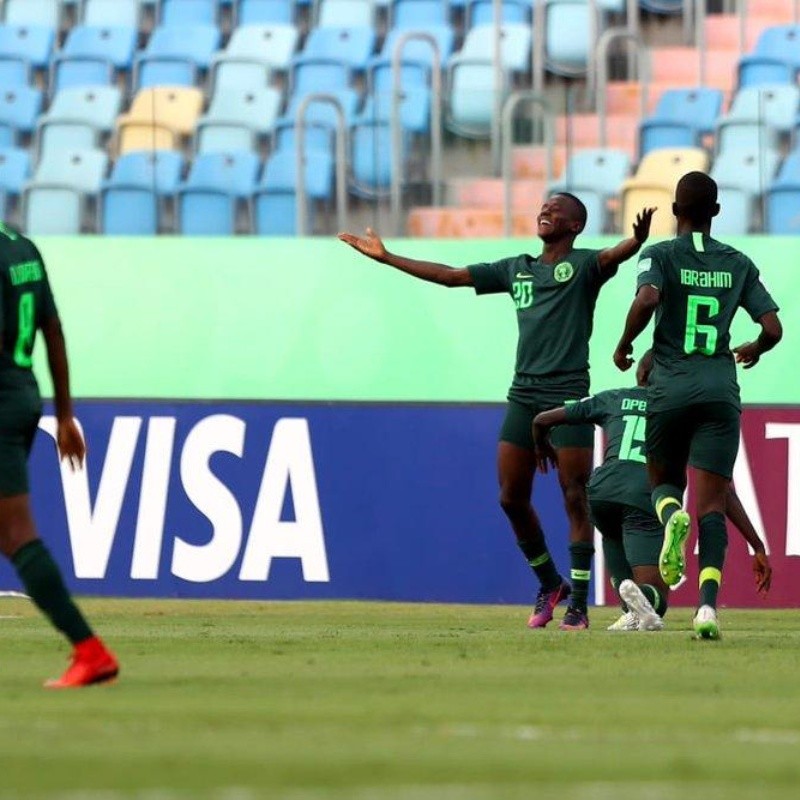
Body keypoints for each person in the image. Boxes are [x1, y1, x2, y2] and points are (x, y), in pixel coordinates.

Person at [339, 196, 655, 630]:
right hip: (524, 395)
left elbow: (612, 254)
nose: (545, 210)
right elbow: (452, 277)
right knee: (510, 497)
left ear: (576, 224)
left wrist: (635, 240)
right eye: (542, 205)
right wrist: (388, 258)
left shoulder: (583, 266)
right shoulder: (517, 268)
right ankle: (550, 582)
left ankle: (578, 604)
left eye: (556, 208)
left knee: (575, 496)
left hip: (569, 398)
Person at [613, 171, 782, 639]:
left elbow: (647, 299)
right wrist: (753, 348)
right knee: (712, 502)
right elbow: (773, 329)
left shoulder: (661, 254)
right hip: (719, 391)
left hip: (670, 388)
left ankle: (671, 518)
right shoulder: (739, 262)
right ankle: (707, 609)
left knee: (663, 483)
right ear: (717, 213)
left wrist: (626, 343)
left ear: (674, 211)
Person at [532, 351, 772, 632]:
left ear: (640, 374)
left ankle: (631, 610)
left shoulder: (613, 397)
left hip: (602, 492)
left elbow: (541, 420)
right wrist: (756, 544)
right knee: (656, 600)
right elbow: (722, 493)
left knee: (611, 535)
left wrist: (542, 445)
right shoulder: (682, 415)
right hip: (645, 495)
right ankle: (644, 600)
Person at [0, 221, 118, 687]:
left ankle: (90, 651)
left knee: (15, 533)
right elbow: (53, 329)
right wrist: (65, 415)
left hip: (1, 400)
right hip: (26, 395)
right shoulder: (21, 247)